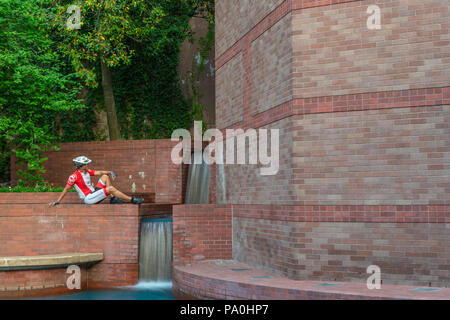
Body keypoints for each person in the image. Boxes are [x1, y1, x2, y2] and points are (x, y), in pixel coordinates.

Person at [49, 156, 144, 206]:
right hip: (89, 198)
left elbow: (100, 172)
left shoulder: (87, 171)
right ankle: (133, 200)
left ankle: (112, 199)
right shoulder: (73, 177)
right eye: (86, 164)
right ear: (81, 165)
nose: (87, 165)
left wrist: (110, 172)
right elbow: (66, 189)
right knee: (110, 188)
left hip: (94, 193)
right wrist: (58, 201)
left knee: (105, 176)